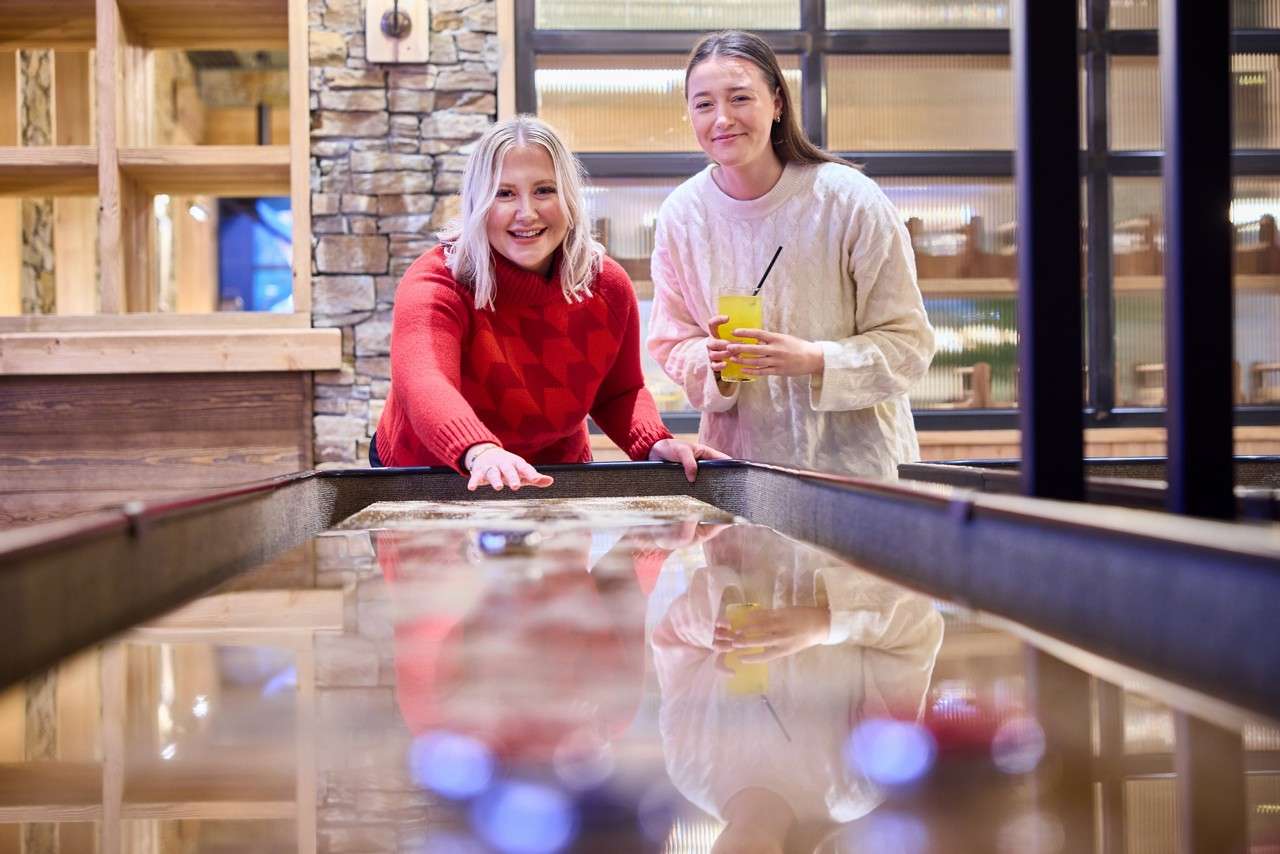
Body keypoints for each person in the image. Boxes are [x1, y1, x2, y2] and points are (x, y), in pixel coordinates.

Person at [372, 115, 725, 489]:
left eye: (544, 190)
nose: (527, 212)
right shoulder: (438, 281)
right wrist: (481, 451)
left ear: (570, 197)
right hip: (433, 472)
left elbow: (619, 392)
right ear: (478, 202)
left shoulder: (606, 285)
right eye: (504, 193)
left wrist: (654, 441)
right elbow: (425, 382)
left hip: (553, 476)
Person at [646, 30, 936, 480]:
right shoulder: (681, 215)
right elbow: (671, 341)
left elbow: (909, 343)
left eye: (740, 98)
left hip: (855, 469)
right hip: (739, 470)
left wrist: (816, 359)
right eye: (704, 104)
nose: (722, 119)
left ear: (777, 103)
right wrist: (714, 361)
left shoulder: (847, 199)